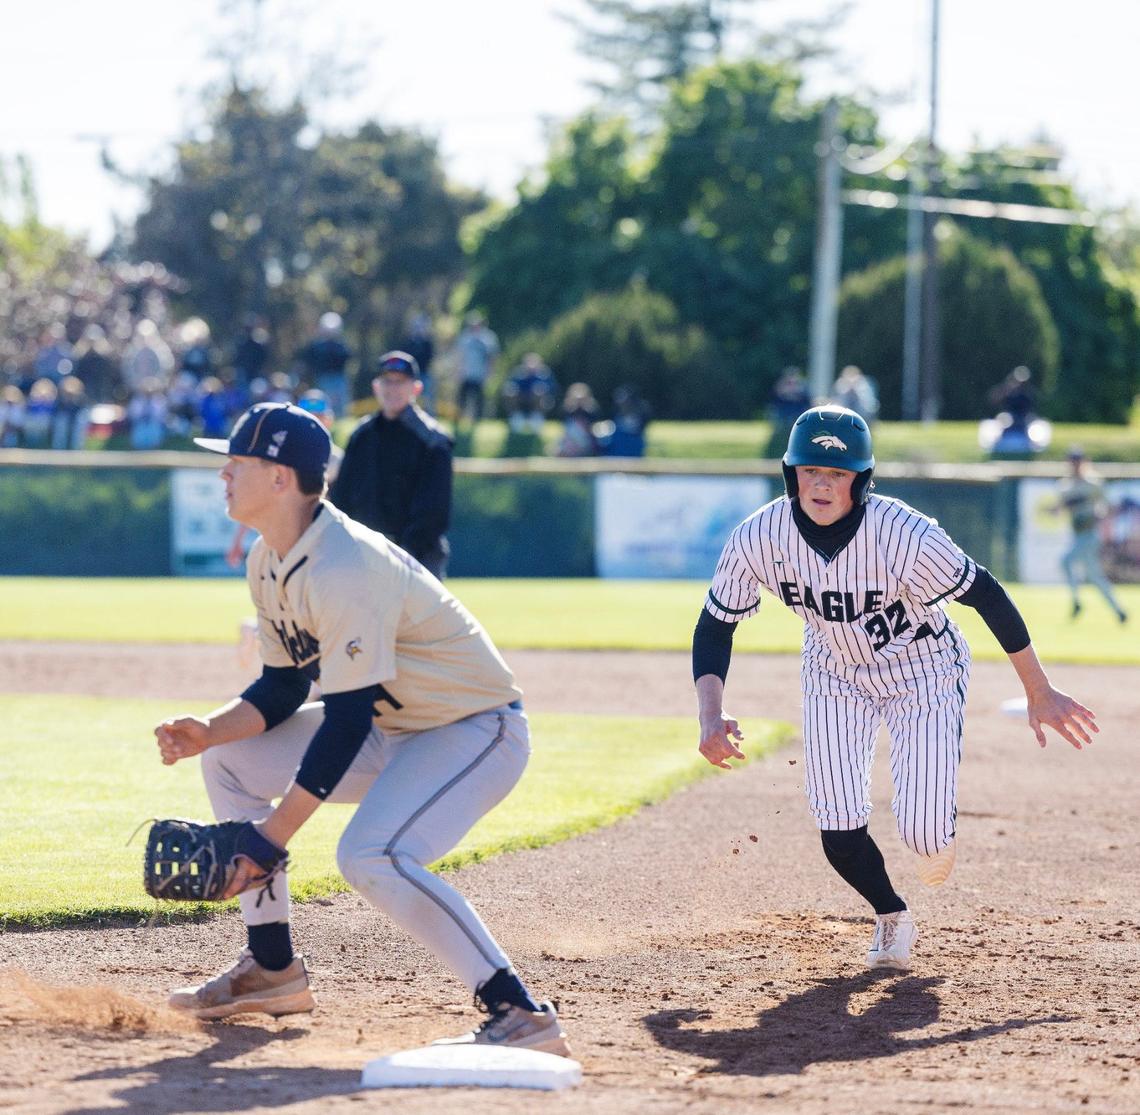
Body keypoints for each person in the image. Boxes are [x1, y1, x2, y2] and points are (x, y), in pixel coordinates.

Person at [154, 401, 570, 1057]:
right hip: (395, 724)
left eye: (235, 463)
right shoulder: (268, 558)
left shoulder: (344, 565)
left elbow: (345, 722)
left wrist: (267, 840)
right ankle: (271, 967)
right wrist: (210, 729)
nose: (223, 476)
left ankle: (518, 1009)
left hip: (472, 729)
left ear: (281, 477)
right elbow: (284, 686)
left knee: (370, 853)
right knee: (230, 761)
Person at [693, 405, 1098, 971]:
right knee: (836, 821)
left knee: (924, 832)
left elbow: (986, 593)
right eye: (811, 470)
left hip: (924, 669)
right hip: (834, 672)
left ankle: (934, 834)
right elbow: (716, 625)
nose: (822, 484)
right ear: (792, 475)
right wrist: (710, 716)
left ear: (860, 480)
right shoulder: (760, 536)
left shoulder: (902, 533)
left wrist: (1039, 688)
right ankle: (890, 915)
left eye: (837, 473)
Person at [329, 352, 452, 579]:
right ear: (376, 386)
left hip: (417, 560)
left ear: (416, 388)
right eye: (387, 381)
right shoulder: (362, 435)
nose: (393, 388)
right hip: (365, 557)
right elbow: (342, 498)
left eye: (400, 382)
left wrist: (402, 552)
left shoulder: (433, 441)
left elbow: (434, 513)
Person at [226, 389, 343, 571]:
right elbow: (256, 497)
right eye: (309, 417)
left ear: (329, 420)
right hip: (286, 540)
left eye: (319, 417)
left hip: (324, 542)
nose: (315, 422)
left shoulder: (337, 460)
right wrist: (238, 541)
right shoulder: (279, 455)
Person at [1051, 448, 1128, 623]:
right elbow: (1059, 508)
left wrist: (1101, 515)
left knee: (1066, 561)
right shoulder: (1065, 486)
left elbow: (1109, 506)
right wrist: (1053, 510)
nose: (1075, 465)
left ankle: (1076, 601)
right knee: (1095, 576)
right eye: (1072, 461)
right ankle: (1119, 611)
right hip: (1077, 535)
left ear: (1085, 462)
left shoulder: (1093, 483)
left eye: (1078, 461)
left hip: (1091, 534)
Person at [296, 312, 351, 412]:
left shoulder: (340, 346)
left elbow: (346, 357)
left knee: (339, 404)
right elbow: (309, 360)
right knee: (325, 403)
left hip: (338, 377)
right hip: (322, 377)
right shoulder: (317, 346)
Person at [453, 312, 499, 425]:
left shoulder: (488, 337)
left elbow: (492, 356)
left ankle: (477, 420)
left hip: (480, 373)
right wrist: (458, 371)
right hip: (466, 373)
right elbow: (459, 355)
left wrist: (490, 371)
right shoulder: (465, 336)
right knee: (462, 397)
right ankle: (459, 418)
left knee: (479, 399)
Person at [502, 353, 558, 434]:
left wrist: (540, 390)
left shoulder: (545, 375)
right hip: (521, 400)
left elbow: (553, 390)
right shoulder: (519, 374)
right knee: (510, 393)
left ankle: (537, 417)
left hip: (541, 403)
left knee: (538, 392)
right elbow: (509, 386)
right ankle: (516, 417)